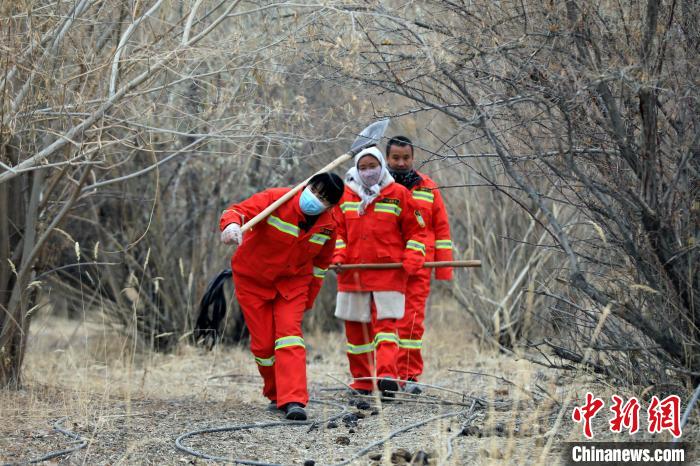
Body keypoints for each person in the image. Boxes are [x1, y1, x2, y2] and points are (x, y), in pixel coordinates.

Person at [219, 172, 345, 420]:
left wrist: (309, 297)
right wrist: (231, 226)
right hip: (253, 279)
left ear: (331, 206)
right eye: (315, 192)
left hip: (293, 283)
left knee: (289, 337)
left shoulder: (329, 225)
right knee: (264, 346)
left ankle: (294, 400)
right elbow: (239, 210)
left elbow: (321, 265)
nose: (316, 199)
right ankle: (276, 393)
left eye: (324, 199)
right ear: (307, 186)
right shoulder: (278, 198)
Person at [333, 146, 427, 397]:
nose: (368, 172)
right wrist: (338, 255)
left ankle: (387, 376)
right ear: (355, 169)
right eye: (362, 168)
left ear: (381, 166)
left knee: (386, 328)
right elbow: (337, 232)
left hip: (388, 274)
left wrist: (412, 258)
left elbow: (417, 232)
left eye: (372, 166)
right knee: (356, 334)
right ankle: (362, 382)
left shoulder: (399, 194)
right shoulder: (344, 196)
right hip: (352, 275)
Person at [385, 136, 454, 394]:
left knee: (412, 323)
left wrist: (443, 268)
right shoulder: (378, 187)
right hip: (387, 269)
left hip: (420, 269)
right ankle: (385, 375)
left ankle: (409, 376)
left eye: (406, 158)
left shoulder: (429, 187)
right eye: (396, 158)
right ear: (387, 158)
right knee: (385, 324)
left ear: (413, 158)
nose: (401, 163)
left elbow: (441, 228)